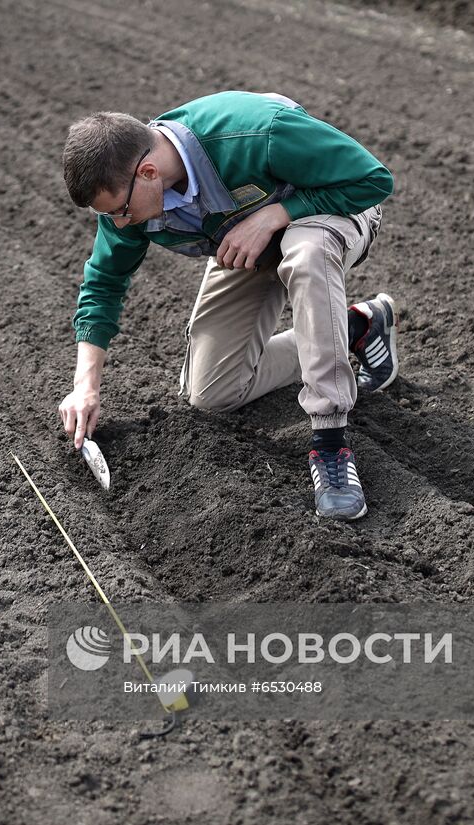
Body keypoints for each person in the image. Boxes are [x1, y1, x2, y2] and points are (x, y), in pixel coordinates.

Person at [58, 90, 397, 520]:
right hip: (245, 246)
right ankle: (355, 328)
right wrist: (85, 387)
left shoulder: (256, 131)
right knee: (212, 392)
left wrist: (277, 214)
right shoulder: (129, 203)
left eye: (122, 212)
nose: (121, 223)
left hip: (330, 211)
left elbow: (372, 180)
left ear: (147, 172)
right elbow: (104, 282)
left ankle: (331, 446)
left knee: (305, 252)